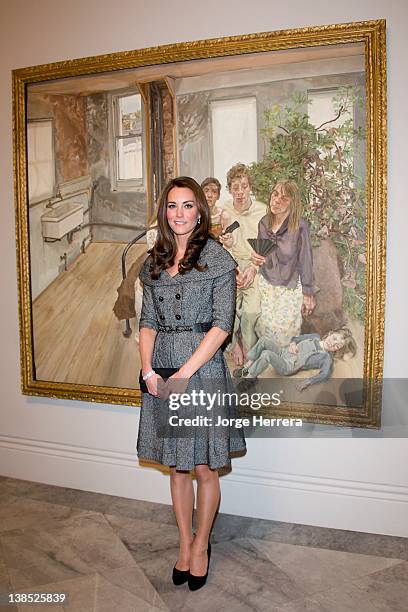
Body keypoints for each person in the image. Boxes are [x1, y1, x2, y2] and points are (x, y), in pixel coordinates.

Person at [137, 176, 246, 591]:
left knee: (202, 466)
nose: (178, 213)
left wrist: (184, 374)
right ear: (164, 212)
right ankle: (183, 543)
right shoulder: (154, 261)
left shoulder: (217, 259)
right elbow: (147, 321)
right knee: (177, 467)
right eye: (171, 206)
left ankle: (202, 545)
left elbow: (222, 325)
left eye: (186, 205)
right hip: (162, 368)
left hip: (201, 372)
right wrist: (149, 371)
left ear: (199, 211)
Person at [243, 179, 317, 347]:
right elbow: (261, 253)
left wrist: (308, 293)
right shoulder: (263, 222)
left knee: (284, 340)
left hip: (289, 286)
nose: (276, 200)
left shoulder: (300, 227)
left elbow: (306, 261)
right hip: (266, 284)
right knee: (264, 333)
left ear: (293, 202)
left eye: (284, 198)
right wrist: (255, 259)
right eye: (275, 194)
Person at [218, 163, 266, 366]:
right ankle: (233, 345)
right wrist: (234, 269)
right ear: (229, 189)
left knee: (252, 310)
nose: (240, 192)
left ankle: (248, 344)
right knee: (225, 306)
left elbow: (264, 247)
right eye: (235, 188)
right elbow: (224, 243)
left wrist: (252, 269)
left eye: (244, 186)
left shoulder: (262, 210)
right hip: (230, 264)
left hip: (253, 264)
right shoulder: (225, 210)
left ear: (250, 188)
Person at [233, 328, 357, 390]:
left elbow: (325, 374)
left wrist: (307, 382)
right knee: (264, 340)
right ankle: (246, 368)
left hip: (288, 365)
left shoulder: (325, 358)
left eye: (338, 346)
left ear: (337, 350)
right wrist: (292, 344)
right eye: (335, 338)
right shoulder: (315, 336)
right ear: (330, 334)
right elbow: (297, 338)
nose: (333, 344)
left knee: (266, 354)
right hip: (283, 352)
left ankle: (250, 378)